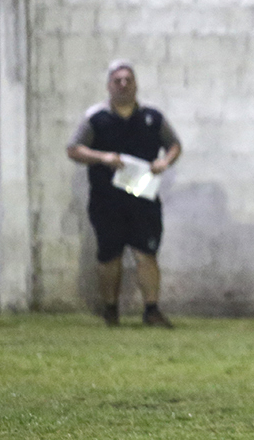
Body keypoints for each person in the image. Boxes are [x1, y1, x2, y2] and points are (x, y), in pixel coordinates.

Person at [67, 60, 181, 328]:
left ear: (136, 84)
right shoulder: (96, 118)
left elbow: (174, 145)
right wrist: (103, 157)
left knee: (146, 255)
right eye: (117, 80)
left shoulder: (153, 117)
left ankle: (152, 310)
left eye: (128, 79)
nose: (123, 84)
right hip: (107, 201)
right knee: (110, 256)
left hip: (144, 199)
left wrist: (165, 162)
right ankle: (110, 310)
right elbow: (73, 149)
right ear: (109, 85)